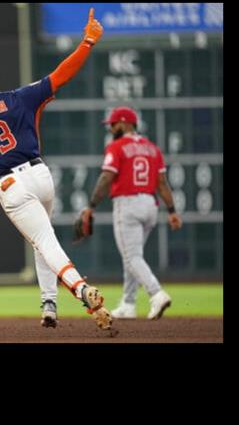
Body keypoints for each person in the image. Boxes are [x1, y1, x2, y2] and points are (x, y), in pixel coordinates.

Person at [0, 8, 111, 330]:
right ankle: (49, 304)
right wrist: (87, 43)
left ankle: (82, 290)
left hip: (12, 185)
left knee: (44, 241)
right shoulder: (21, 97)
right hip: (41, 176)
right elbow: (62, 74)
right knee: (43, 238)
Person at [76, 106, 182, 320]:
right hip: (150, 206)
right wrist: (171, 210)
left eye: (113, 124)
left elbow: (106, 178)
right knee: (132, 257)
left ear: (124, 123)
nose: (111, 128)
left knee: (131, 256)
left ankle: (156, 293)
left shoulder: (117, 147)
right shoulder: (153, 148)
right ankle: (128, 303)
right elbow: (162, 183)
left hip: (128, 205)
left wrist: (91, 205)